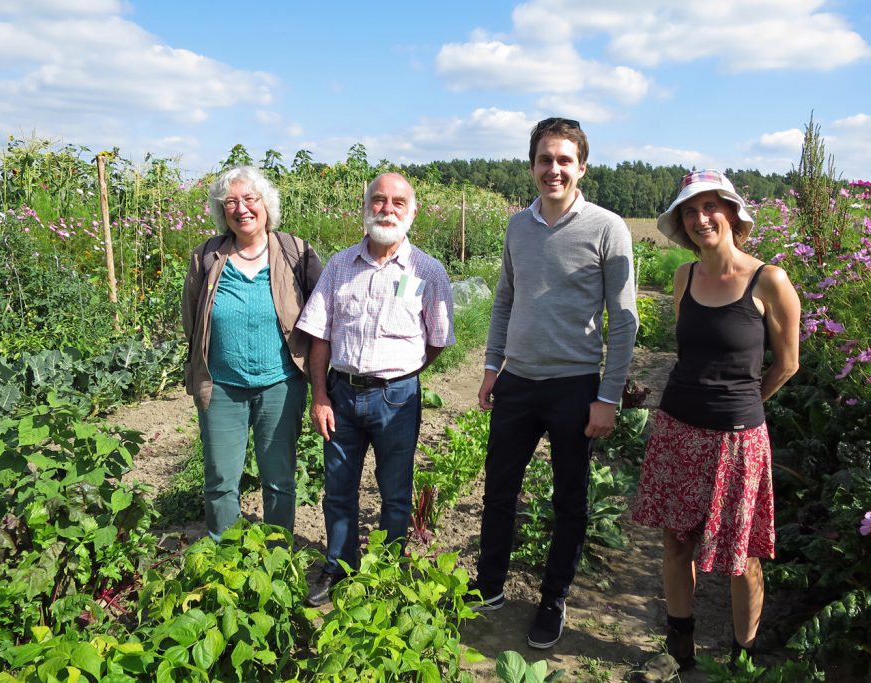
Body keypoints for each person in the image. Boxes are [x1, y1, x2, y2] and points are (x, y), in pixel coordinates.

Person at [471, 117, 639, 649]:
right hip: (517, 381)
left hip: (574, 386)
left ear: (581, 167)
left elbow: (625, 319)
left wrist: (607, 397)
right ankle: (490, 585)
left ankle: (552, 599)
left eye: (564, 160)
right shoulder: (518, 226)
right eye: (545, 159)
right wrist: (491, 366)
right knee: (499, 490)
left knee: (570, 499)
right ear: (532, 166)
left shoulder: (608, 229)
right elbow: (505, 299)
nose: (554, 170)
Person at [631, 169, 801, 670]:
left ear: (732, 213)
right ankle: (679, 644)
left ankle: (740, 658)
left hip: (736, 439)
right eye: (690, 210)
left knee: (740, 554)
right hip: (677, 427)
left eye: (711, 207)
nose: (701, 218)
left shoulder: (769, 279)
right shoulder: (684, 277)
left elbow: (788, 363)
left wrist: (747, 403)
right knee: (676, 540)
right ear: (681, 223)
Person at [296, 172, 455, 607]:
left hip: (398, 398)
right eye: (379, 200)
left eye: (398, 202)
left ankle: (385, 571)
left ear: (413, 212)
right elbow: (320, 336)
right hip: (341, 396)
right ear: (365, 207)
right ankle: (340, 567)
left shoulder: (427, 271)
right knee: (339, 489)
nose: (387, 209)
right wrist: (321, 396)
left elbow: (437, 339)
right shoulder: (339, 266)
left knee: (395, 492)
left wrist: (399, 374)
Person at [182, 166, 322, 542]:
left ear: (265, 205)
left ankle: (277, 557)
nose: (241, 209)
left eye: (249, 199)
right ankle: (223, 558)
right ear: (221, 211)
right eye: (230, 202)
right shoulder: (207, 258)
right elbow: (192, 320)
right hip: (222, 387)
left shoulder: (295, 251)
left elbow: (320, 315)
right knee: (220, 481)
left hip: (280, 385)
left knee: (279, 479)